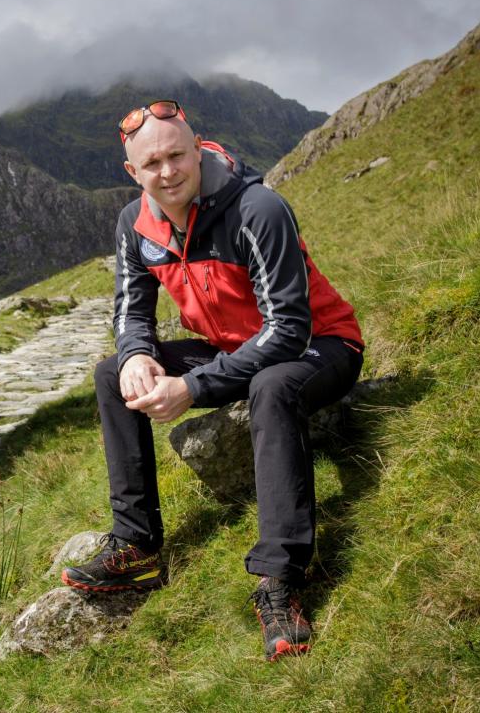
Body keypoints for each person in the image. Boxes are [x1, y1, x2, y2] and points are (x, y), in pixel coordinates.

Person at [61, 99, 364, 661]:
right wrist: (133, 356)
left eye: (178, 155)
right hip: (232, 347)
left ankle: (280, 582)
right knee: (110, 376)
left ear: (198, 148)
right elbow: (132, 314)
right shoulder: (134, 223)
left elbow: (289, 330)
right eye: (152, 164)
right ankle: (138, 545)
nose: (168, 171)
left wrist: (193, 390)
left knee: (271, 387)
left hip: (321, 345)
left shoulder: (258, 209)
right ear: (133, 173)